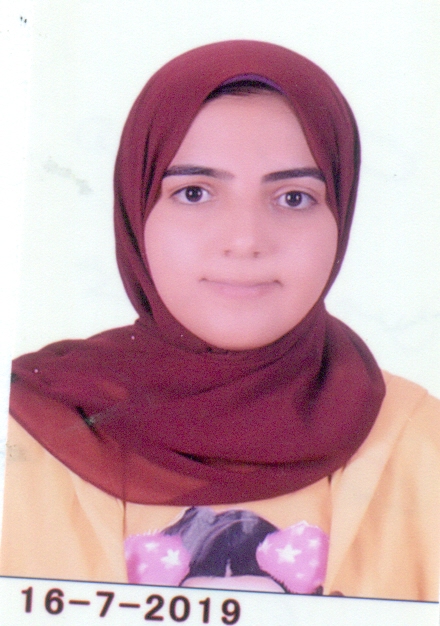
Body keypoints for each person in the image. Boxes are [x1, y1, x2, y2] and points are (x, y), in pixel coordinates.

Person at [1, 40, 439, 601]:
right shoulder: (26, 428)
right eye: (194, 192)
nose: (245, 240)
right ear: (136, 207)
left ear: (342, 211)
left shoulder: (420, 442)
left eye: (294, 197)